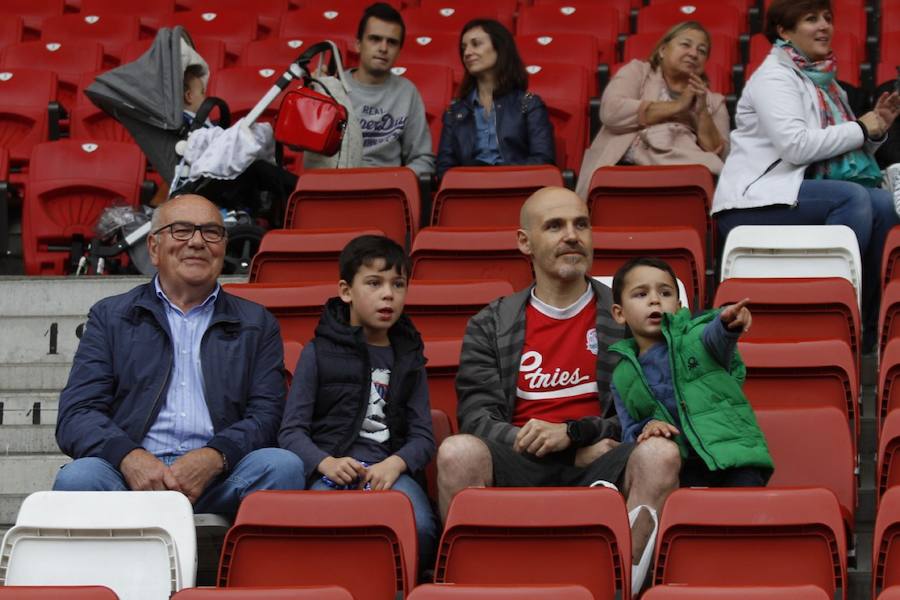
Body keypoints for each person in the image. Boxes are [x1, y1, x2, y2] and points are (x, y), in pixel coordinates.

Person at [436, 187, 681, 596]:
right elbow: (477, 419)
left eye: (581, 224)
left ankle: (621, 588)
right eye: (555, 226)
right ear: (524, 242)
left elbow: (650, 412)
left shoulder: (626, 315)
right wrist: (557, 445)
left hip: (603, 459)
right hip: (520, 460)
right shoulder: (490, 324)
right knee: (457, 452)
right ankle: (480, 589)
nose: (572, 236)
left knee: (660, 453)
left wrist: (573, 434)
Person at [53, 195, 304, 516]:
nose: (198, 242)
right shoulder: (111, 316)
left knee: (282, 467)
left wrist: (215, 456)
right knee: (78, 479)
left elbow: (268, 414)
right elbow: (78, 413)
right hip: (131, 476)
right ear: (154, 248)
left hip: (222, 475)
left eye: (211, 232)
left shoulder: (256, 322)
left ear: (224, 248)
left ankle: (253, 566)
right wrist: (130, 457)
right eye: (182, 230)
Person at [712, 0, 900, 352]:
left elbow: (839, 150)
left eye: (827, 18)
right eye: (811, 19)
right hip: (755, 199)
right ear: (784, 31)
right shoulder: (774, 77)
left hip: (798, 192)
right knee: (854, 198)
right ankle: (828, 311)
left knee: (883, 204)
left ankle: (868, 328)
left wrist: (875, 132)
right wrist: (861, 127)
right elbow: (797, 148)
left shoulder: (824, 81)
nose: (824, 26)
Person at [279, 234, 438, 573]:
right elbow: (292, 431)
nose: (388, 295)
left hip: (388, 473)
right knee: (315, 526)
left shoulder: (409, 356)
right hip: (330, 472)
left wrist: (394, 465)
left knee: (421, 528)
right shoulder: (318, 351)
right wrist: (325, 463)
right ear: (346, 291)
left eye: (398, 284)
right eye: (374, 283)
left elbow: (423, 435)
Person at [609, 257, 774, 488]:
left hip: (734, 458)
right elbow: (629, 432)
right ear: (619, 313)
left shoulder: (696, 338)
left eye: (665, 293)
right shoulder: (622, 376)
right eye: (641, 294)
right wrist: (647, 428)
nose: (655, 300)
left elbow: (715, 335)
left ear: (679, 307)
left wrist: (727, 322)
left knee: (741, 518)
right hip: (681, 468)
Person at [575, 21, 730, 199]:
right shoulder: (637, 72)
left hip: (683, 183)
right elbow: (611, 111)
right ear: (663, 50)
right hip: (621, 169)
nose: (694, 53)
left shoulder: (714, 101)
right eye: (685, 44)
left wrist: (702, 112)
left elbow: (722, 157)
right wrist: (678, 106)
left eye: (702, 51)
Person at [435, 19, 555, 179]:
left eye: (476, 44)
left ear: (500, 48)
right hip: (469, 193)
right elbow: (444, 169)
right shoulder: (454, 111)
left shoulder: (529, 104)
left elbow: (543, 160)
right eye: (464, 48)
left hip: (517, 190)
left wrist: (500, 177)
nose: (467, 53)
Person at [347, 2, 435, 176]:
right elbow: (303, 151)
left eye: (392, 42)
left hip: (388, 191)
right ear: (358, 44)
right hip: (337, 187)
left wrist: (395, 180)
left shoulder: (407, 92)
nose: (383, 48)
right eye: (375, 39)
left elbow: (423, 159)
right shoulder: (332, 88)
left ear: (399, 52)